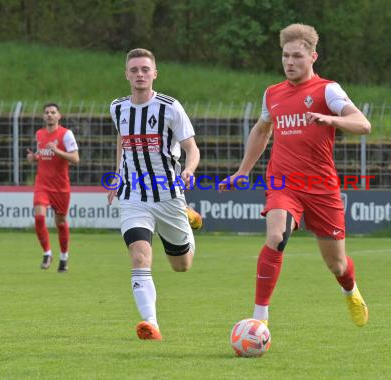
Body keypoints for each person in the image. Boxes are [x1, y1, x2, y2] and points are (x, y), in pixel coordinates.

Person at [223, 24, 371, 327]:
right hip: (283, 182)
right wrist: (243, 170)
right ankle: (259, 318)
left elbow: (363, 123)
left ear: (313, 57)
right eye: (285, 56)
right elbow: (261, 130)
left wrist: (330, 118)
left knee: (337, 263)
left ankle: (350, 290)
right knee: (276, 236)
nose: (290, 62)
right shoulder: (272, 94)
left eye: (297, 57)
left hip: (321, 186)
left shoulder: (327, 90)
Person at [107, 48, 202, 341]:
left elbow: (191, 148)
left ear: (154, 74)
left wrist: (189, 169)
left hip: (168, 192)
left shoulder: (170, 107)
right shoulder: (117, 107)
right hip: (132, 193)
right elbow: (123, 142)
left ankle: (186, 216)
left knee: (181, 265)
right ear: (126, 74)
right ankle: (150, 323)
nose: (139, 74)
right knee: (139, 256)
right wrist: (117, 176)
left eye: (145, 69)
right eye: (134, 69)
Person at [26, 103, 80, 273]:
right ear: (43, 116)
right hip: (42, 184)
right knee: (39, 217)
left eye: (53, 112)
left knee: (61, 222)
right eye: (47, 112)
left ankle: (64, 257)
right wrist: (34, 157)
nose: (49, 115)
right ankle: (47, 253)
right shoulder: (40, 134)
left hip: (60, 187)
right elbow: (44, 155)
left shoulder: (66, 134)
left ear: (59, 116)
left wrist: (56, 150)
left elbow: (76, 159)